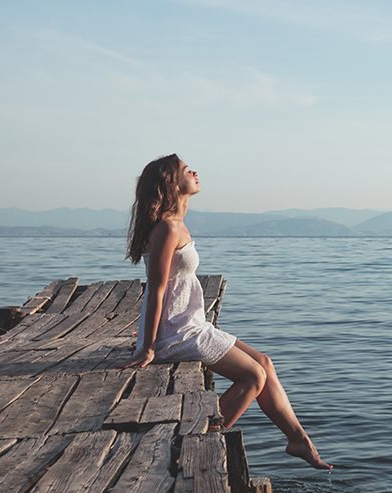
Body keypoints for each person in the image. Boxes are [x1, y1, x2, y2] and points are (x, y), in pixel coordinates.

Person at [121, 153, 331, 470]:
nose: (195, 172)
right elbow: (157, 288)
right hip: (176, 334)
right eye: (186, 170)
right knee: (253, 377)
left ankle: (298, 439)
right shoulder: (167, 229)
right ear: (170, 182)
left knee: (264, 363)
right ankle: (199, 435)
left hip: (192, 324)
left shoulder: (176, 225)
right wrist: (149, 345)